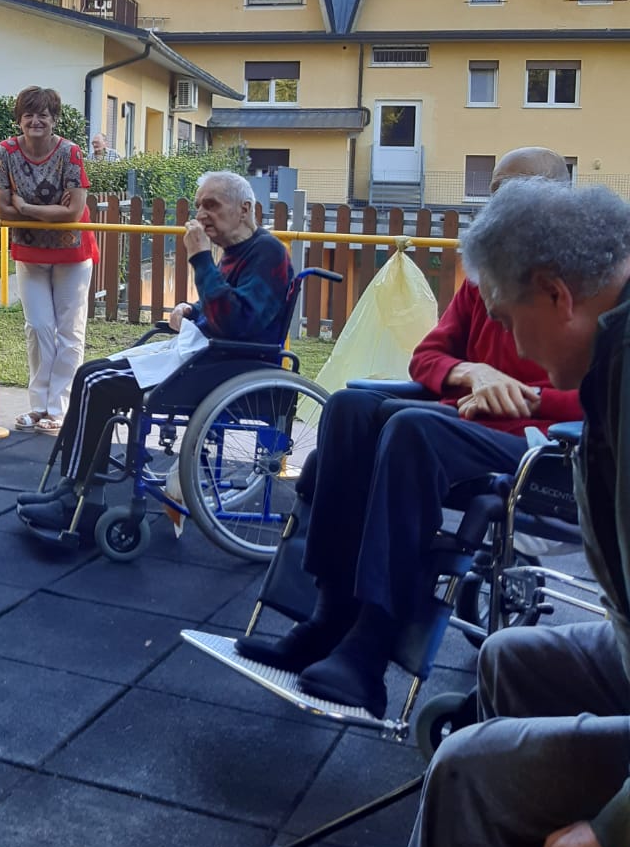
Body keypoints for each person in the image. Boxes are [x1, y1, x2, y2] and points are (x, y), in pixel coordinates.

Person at [298, 177, 630, 847]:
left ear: (556, 293)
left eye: (514, 322)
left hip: (517, 445)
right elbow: (431, 354)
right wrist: (465, 370)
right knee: (509, 658)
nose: (511, 339)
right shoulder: (610, 350)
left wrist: (616, 835)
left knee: (468, 771)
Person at [237, 146, 582, 720]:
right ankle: (329, 617)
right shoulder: (486, 277)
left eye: (514, 193)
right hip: (466, 424)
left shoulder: (585, 284)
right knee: (349, 408)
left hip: (544, 445)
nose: (497, 205)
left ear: (558, 203)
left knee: (413, 429)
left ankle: (371, 648)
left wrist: (528, 397)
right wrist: (468, 371)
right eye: (494, 192)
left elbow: (606, 394)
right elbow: (428, 355)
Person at [17, 168, 293, 538]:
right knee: (90, 373)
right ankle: (72, 489)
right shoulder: (238, 251)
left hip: (232, 365)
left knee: (98, 383)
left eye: (212, 205)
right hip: (215, 356)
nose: (201, 214)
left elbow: (235, 321)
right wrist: (192, 310)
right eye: (199, 206)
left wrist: (200, 259)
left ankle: (79, 503)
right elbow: (226, 307)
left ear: (245, 209)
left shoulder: (267, 253)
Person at [0, 86, 98, 434]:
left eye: (43, 115)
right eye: (28, 115)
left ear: (54, 119)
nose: (35, 121)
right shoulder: (5, 152)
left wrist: (24, 206)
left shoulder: (70, 152)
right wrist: (50, 211)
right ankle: (38, 405)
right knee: (38, 327)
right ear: (19, 120)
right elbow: (2, 210)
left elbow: (74, 212)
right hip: (30, 250)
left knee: (69, 331)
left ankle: (59, 408)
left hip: (72, 251)